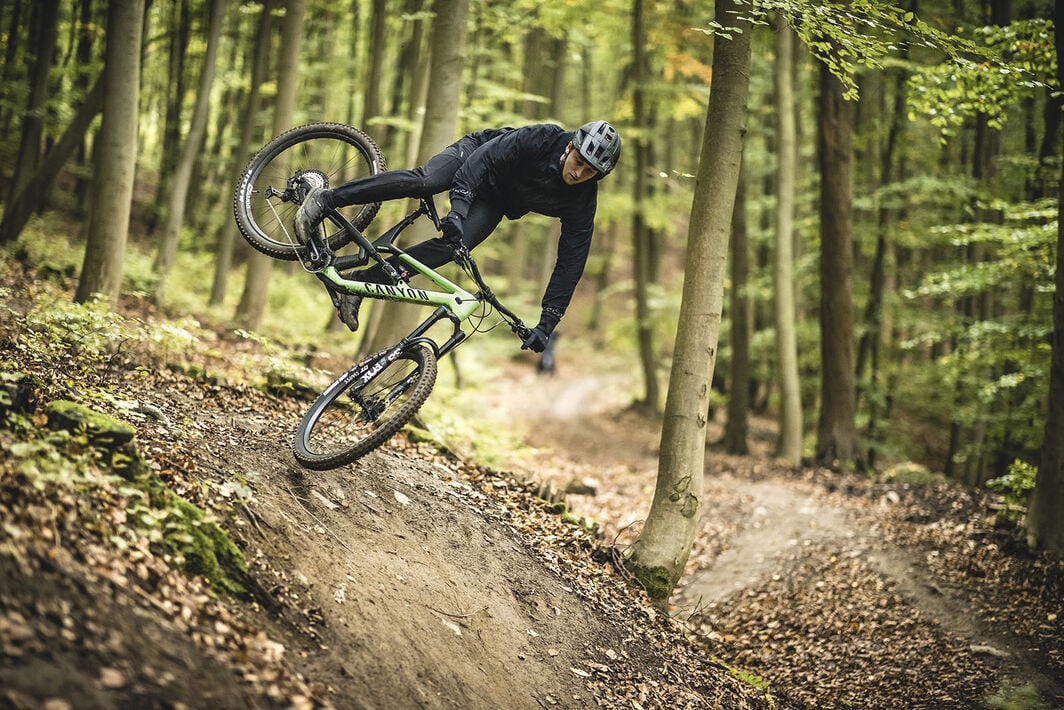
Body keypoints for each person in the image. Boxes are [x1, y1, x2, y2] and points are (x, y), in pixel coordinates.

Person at [294, 120, 621, 353]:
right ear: (570, 146)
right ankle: (326, 199)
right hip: (476, 156)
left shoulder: (582, 200)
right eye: (579, 161)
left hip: (496, 200)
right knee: (425, 182)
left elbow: (571, 261)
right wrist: (457, 209)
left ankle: (363, 283)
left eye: (590, 171)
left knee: (456, 247)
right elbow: (485, 159)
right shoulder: (543, 138)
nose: (579, 173)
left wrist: (548, 322)